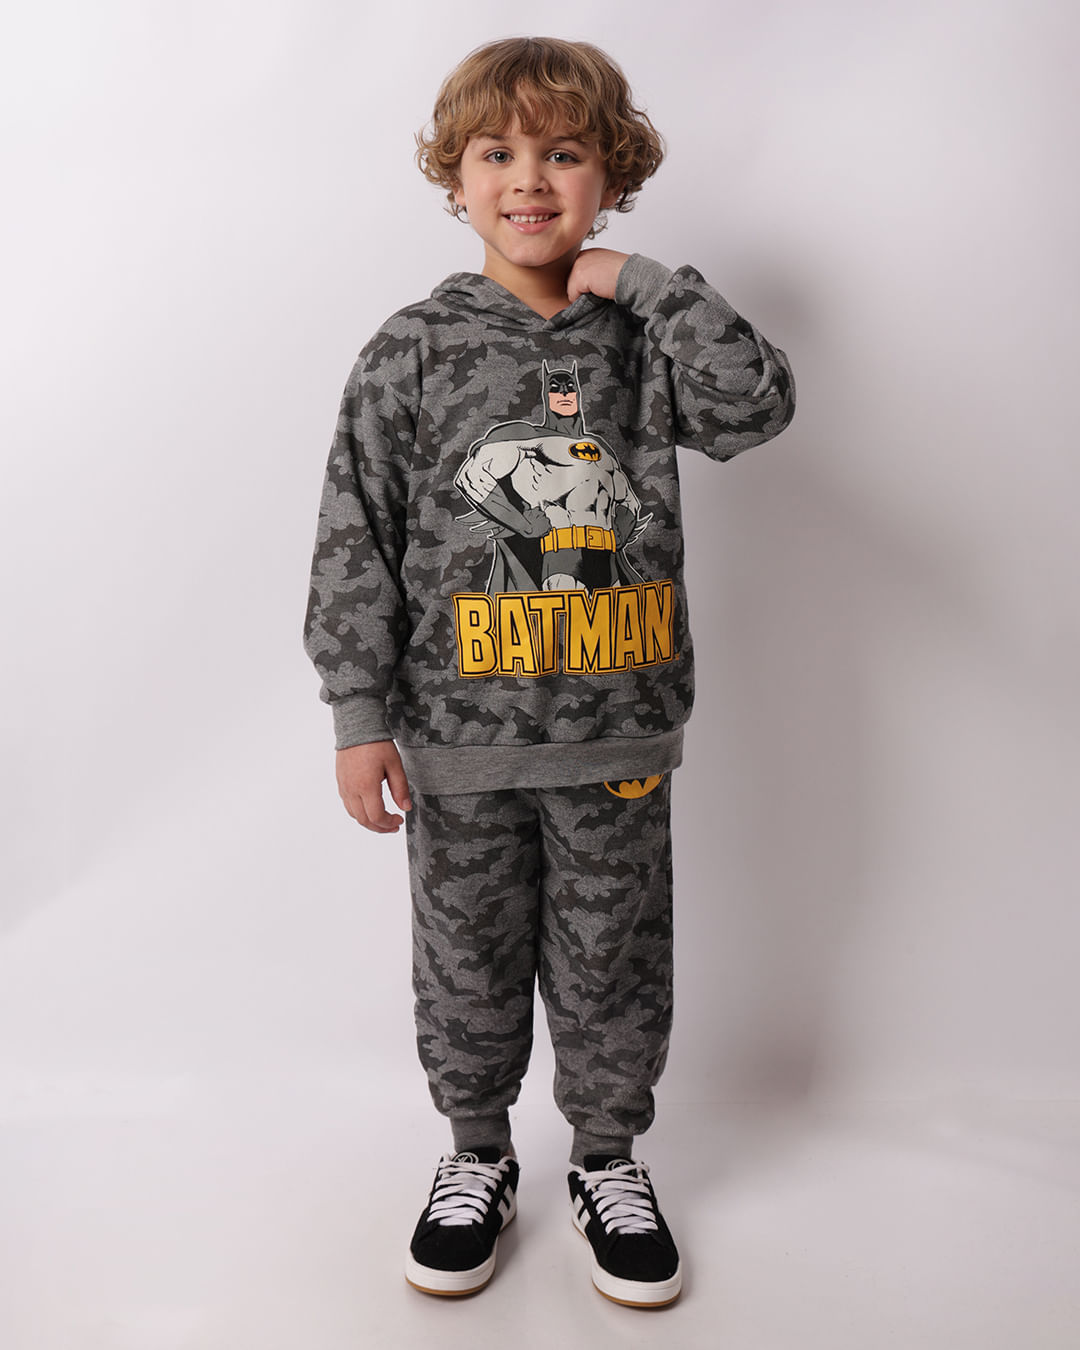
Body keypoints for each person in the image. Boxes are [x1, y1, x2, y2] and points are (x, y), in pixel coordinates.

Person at [303, 36, 795, 1308]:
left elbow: (756, 407)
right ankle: (476, 1154)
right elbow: (357, 532)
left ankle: (607, 1159)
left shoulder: (642, 339)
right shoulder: (412, 349)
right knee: (465, 961)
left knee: (613, 961)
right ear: (457, 178)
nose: (529, 177)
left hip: (617, 737)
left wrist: (650, 284)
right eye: (498, 152)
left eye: (563, 152)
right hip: (458, 741)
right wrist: (358, 713)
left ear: (609, 175)